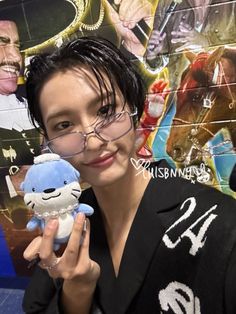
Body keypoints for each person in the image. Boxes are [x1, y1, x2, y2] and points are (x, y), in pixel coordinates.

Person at [22, 37, 236, 314]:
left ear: (133, 109)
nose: (94, 141)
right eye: (64, 125)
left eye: (106, 110)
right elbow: (35, 307)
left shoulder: (220, 225)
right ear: (49, 142)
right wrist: (77, 291)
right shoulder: (66, 221)